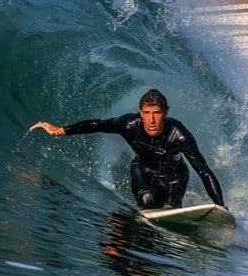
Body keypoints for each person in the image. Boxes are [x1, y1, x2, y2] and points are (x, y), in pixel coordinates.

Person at [29, 89, 226, 210]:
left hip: (175, 176)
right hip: (143, 169)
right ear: (140, 113)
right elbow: (98, 125)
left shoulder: (179, 134)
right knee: (147, 200)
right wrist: (58, 130)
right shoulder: (129, 125)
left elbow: (204, 171)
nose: (151, 120)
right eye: (146, 113)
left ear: (165, 113)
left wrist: (220, 206)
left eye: (156, 113)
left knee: (170, 206)